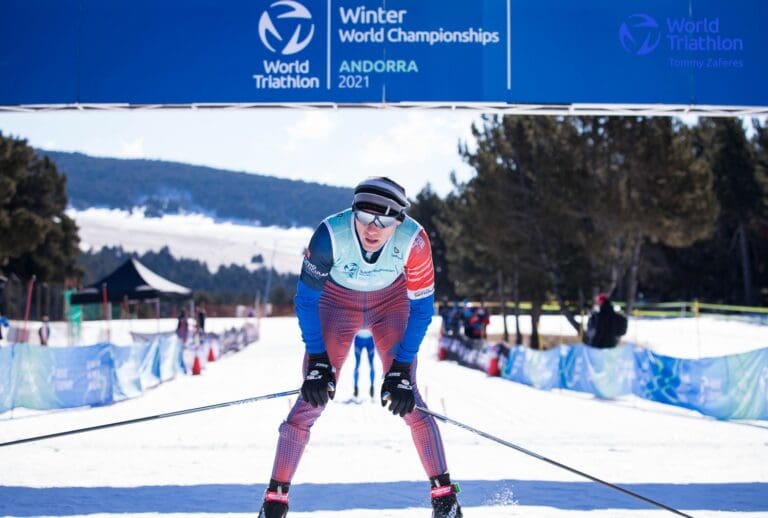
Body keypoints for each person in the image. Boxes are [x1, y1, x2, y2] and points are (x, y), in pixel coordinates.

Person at [258, 177, 462, 518]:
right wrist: (319, 359)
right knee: (310, 400)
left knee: (408, 398)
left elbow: (423, 309)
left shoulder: (414, 239)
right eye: (365, 218)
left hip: (391, 304)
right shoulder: (329, 235)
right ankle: (274, 502)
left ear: (399, 220)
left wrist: (401, 367)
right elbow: (306, 300)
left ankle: (445, 499)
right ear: (353, 212)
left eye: (384, 221)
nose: (372, 229)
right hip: (337, 304)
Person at [352, 331, 376, 399]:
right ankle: (355, 387)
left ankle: (372, 386)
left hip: (369, 340)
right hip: (359, 339)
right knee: (357, 364)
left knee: (371, 364)